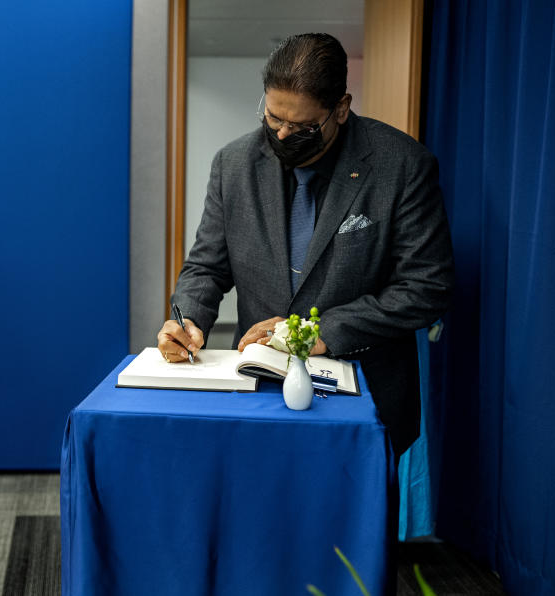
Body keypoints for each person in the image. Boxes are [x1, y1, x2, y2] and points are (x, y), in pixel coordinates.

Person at [157, 33, 454, 455]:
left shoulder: (402, 165)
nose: (281, 135)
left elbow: (427, 288)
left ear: (341, 109)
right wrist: (186, 319)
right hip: (259, 391)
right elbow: (207, 267)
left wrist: (319, 331)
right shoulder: (234, 164)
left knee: (355, 521)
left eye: (300, 127)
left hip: (362, 396)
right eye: (273, 118)